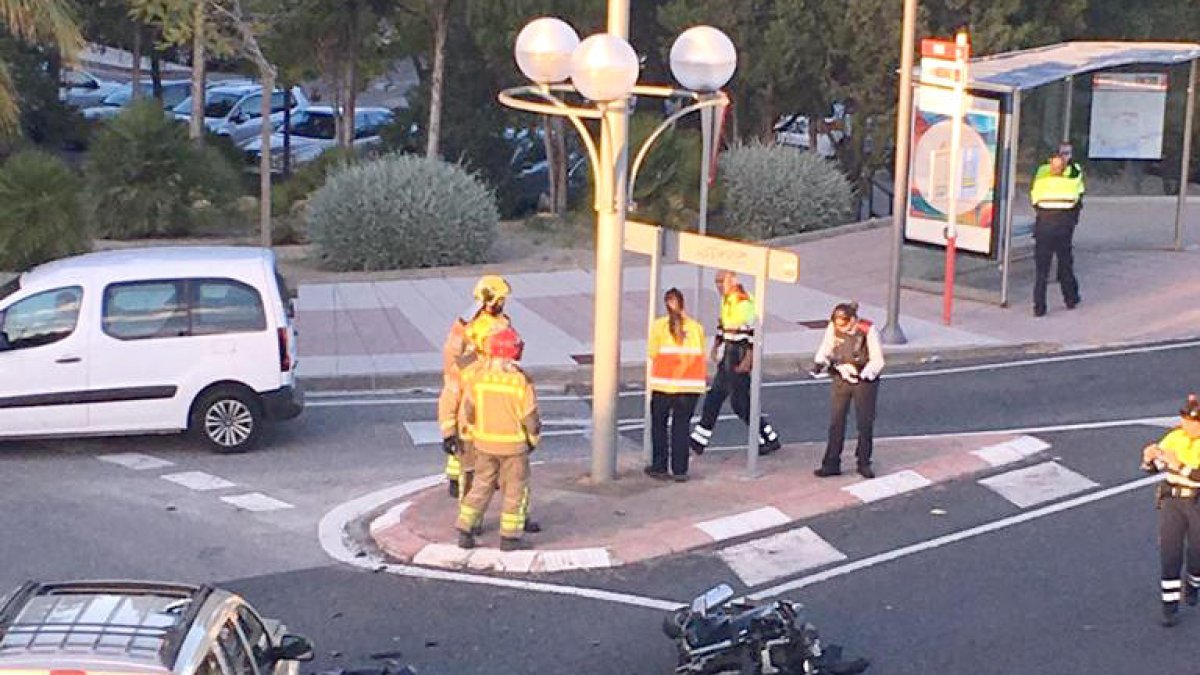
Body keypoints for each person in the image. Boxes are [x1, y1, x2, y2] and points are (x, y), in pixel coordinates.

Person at [455, 327, 541, 551]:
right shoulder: (521, 381)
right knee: (515, 490)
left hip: (484, 444)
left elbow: (469, 410)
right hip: (513, 447)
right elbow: (530, 417)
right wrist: (533, 439)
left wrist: (476, 431)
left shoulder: (478, 378)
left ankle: (465, 528)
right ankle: (509, 537)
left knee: (481, 485)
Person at [689, 270, 782, 456]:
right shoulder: (727, 301)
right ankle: (699, 440)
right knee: (715, 397)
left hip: (739, 353)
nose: (718, 286)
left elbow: (754, 333)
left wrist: (748, 360)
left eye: (722, 281)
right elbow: (723, 326)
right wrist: (716, 346)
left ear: (733, 281)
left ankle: (767, 437)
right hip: (730, 352)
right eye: (716, 282)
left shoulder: (743, 302)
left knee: (740, 403)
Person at [438, 275, 512, 498]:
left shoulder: (489, 322)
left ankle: (464, 481)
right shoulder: (472, 333)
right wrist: (448, 432)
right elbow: (452, 355)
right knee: (463, 439)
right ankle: (458, 478)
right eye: (501, 299)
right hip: (466, 390)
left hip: (466, 378)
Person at [1141, 394, 1200, 627]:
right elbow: (1156, 466)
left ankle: (1193, 584)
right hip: (1172, 501)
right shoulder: (1175, 437)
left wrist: (1180, 466)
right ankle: (1170, 606)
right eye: (1185, 420)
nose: (1188, 425)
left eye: (1193, 422)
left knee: (1196, 553)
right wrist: (1149, 460)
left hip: (1197, 502)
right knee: (1170, 553)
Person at [810, 302, 885, 479]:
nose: (841, 329)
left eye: (844, 325)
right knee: (836, 421)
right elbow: (826, 348)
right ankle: (831, 463)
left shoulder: (868, 330)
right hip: (841, 376)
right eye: (838, 325)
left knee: (864, 423)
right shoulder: (833, 328)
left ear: (853, 320)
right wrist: (821, 363)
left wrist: (864, 374)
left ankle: (864, 462)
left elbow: (878, 360)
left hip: (864, 379)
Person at [645, 288, 707, 482]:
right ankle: (680, 470)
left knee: (659, 426)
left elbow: (653, 353)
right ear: (683, 303)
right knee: (681, 427)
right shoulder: (696, 328)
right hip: (690, 387)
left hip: (664, 386)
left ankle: (660, 466)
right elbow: (701, 354)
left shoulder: (659, 326)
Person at [1029, 153, 1084, 317]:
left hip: (1044, 229)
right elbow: (1077, 199)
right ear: (1063, 169)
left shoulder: (1040, 184)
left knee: (1041, 270)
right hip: (1063, 230)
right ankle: (1070, 298)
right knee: (1065, 264)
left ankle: (1039, 306)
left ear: (1050, 168)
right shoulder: (1070, 184)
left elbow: (1035, 202)